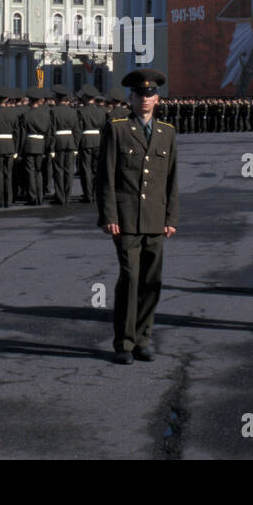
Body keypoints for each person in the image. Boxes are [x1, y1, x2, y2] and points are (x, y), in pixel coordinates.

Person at [97, 69, 178, 364]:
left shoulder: (166, 132)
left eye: (149, 95)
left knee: (151, 281)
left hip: (156, 219)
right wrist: (109, 214)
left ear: (157, 98)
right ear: (130, 98)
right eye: (138, 95)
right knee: (130, 278)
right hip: (126, 218)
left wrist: (171, 218)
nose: (144, 99)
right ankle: (124, 342)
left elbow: (171, 179)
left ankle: (144, 338)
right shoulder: (117, 128)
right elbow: (105, 176)